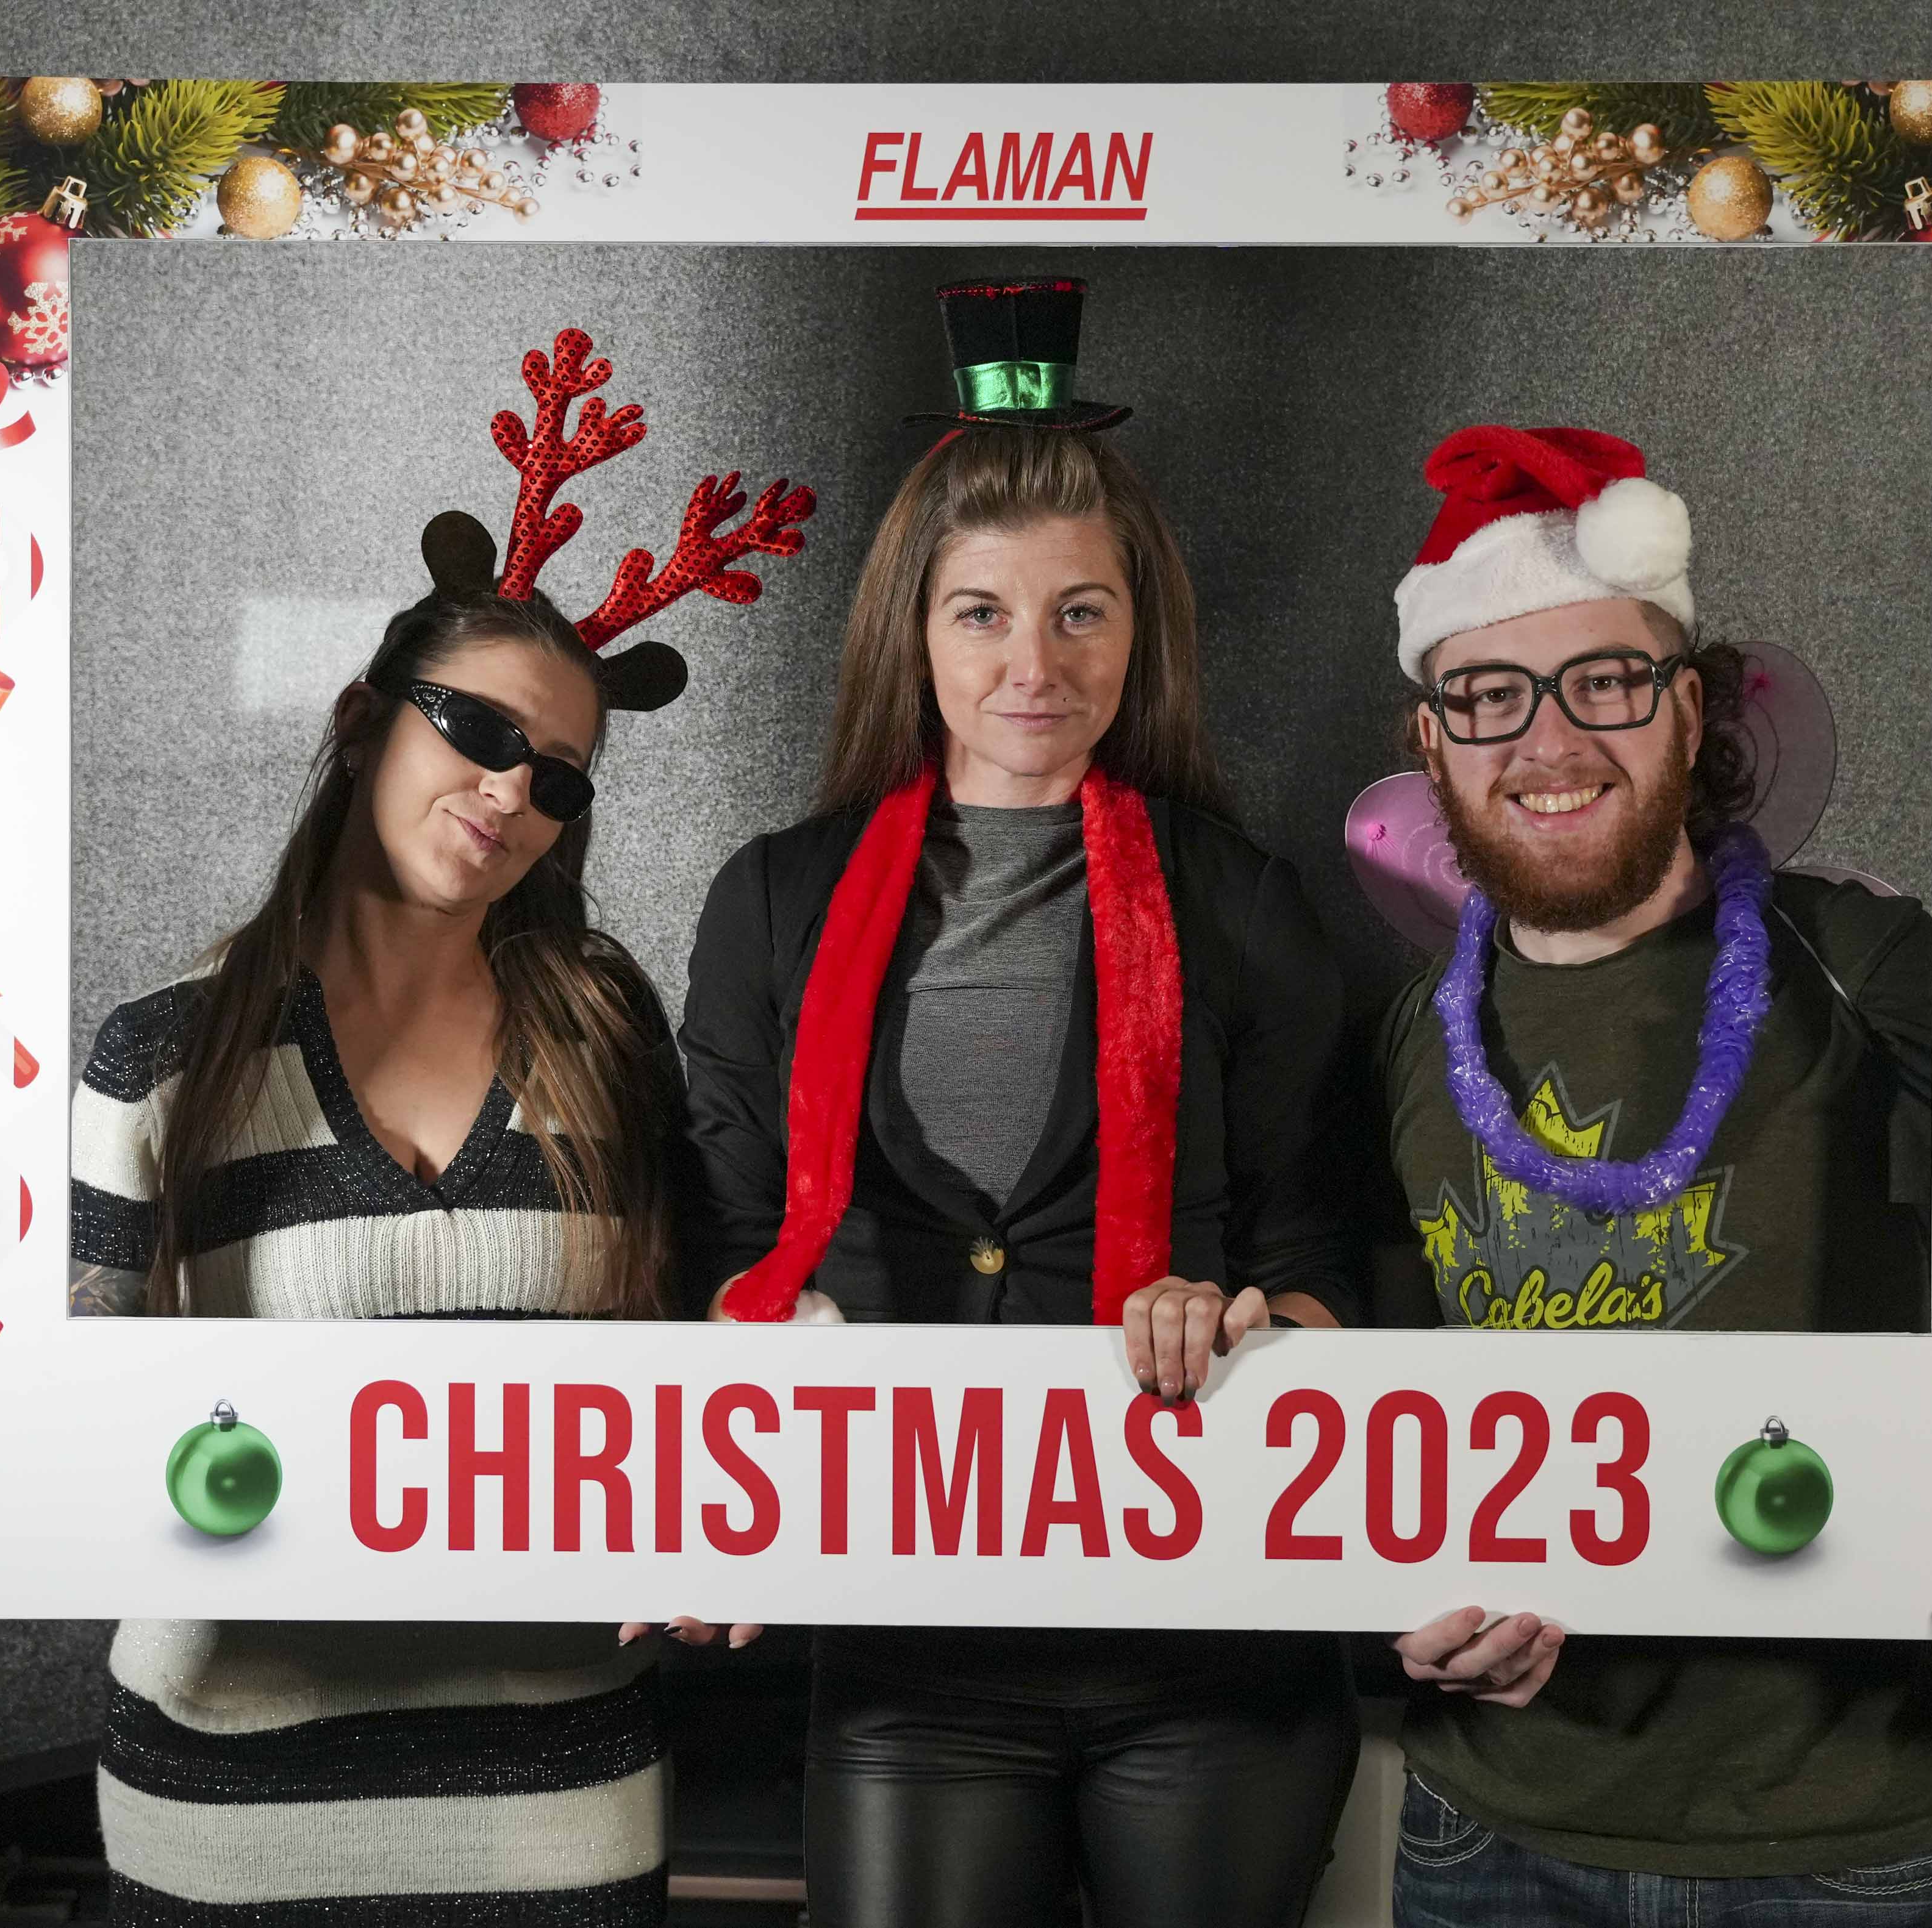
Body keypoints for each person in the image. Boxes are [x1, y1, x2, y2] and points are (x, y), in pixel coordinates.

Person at [0, 326, 816, 1926]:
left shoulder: (610, 1042)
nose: (511, 795)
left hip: (558, 1796)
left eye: (559, 778)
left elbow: (719, 1330)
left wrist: (762, 1486)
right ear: (364, 720)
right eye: (477, 732)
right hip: (228, 1800)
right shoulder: (166, 1055)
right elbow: (64, 1387)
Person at [1367, 424, 1932, 1925]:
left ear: (1689, 706)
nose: (1548, 739)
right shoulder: (1404, 1030)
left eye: (1605, 681)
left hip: (1843, 1834)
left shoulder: (1863, 964)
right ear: (1431, 739)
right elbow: (1379, 1394)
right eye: (1488, 695)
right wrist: (1385, 1600)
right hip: (1487, 1829)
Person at [677, 277, 1365, 1928]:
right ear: (914, 632)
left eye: (1081, 612)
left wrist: (1263, 1322)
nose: (1031, 664)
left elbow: (1323, 1243)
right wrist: (747, 1355)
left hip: (1211, 1639)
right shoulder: (774, 900)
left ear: (1141, 632)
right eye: (981, 611)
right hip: (909, 1645)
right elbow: (725, 1234)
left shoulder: (1243, 903)